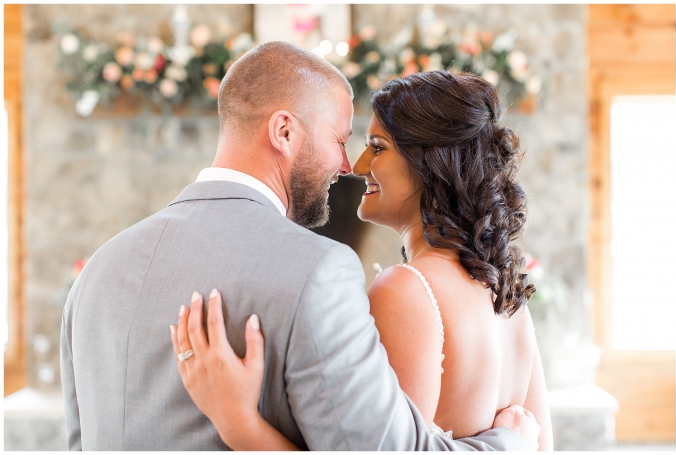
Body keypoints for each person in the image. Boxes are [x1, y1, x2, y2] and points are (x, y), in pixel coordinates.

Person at [61, 41, 537, 450]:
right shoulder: (321, 271)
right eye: (340, 138)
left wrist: (244, 424)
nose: (348, 164)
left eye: (373, 144)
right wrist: (508, 443)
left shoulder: (96, 274)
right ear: (284, 131)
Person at [170, 70, 553, 450]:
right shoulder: (507, 298)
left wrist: (238, 421)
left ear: (430, 163)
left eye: (378, 146)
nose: (357, 165)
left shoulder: (409, 291)